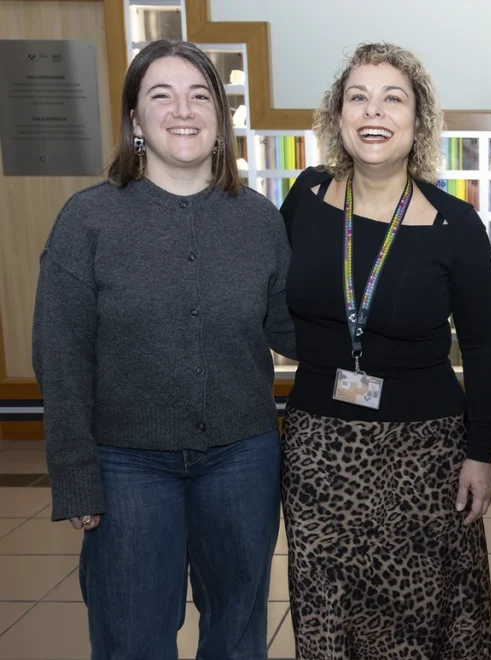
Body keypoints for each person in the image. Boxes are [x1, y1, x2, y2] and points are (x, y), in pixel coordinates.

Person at [32, 39, 295, 659]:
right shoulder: (88, 220)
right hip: (126, 465)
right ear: (134, 120)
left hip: (242, 457)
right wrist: (75, 477)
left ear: (220, 118)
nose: (184, 110)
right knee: (133, 639)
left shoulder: (260, 220)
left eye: (200, 95)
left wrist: (390, 319)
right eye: (162, 95)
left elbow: (289, 329)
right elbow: (61, 356)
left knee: (237, 636)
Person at [278, 42, 491, 659]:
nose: (373, 111)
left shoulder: (456, 225)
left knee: (420, 617)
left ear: (418, 120)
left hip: (425, 453)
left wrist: (479, 455)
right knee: (325, 612)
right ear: (338, 115)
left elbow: (484, 348)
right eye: (358, 97)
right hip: (318, 449)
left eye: (392, 98)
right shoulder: (306, 197)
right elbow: (266, 294)